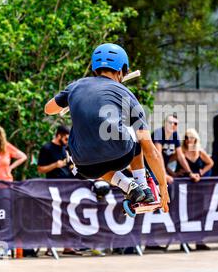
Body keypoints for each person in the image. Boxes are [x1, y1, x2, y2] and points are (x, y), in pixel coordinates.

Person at [44, 43, 169, 214]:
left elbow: (48, 109)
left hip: (84, 165)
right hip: (121, 156)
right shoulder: (126, 94)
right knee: (136, 135)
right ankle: (143, 186)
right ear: (122, 71)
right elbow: (150, 149)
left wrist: (67, 101)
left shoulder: (76, 86)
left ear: (95, 69)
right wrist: (162, 184)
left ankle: (129, 186)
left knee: (87, 149)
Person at [37, 125, 82, 256]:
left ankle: (68, 246)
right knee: (53, 217)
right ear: (59, 135)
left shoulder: (65, 149)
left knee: (68, 216)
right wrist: (55, 165)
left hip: (68, 187)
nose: (67, 141)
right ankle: (50, 247)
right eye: (66, 138)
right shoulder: (47, 148)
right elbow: (40, 169)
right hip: (53, 187)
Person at [176, 128, 213, 251]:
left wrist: (201, 172)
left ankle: (199, 240)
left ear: (195, 139)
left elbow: (210, 163)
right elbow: (166, 162)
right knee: (185, 213)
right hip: (184, 187)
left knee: (200, 213)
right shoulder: (180, 151)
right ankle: (184, 242)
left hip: (198, 186)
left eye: (190, 137)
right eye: (186, 137)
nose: (188, 140)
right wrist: (175, 173)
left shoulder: (199, 151)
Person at [152, 115, 200, 184]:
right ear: (165, 123)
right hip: (151, 168)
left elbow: (180, 156)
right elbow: (158, 155)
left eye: (175, 123)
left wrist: (190, 173)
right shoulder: (159, 133)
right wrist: (164, 174)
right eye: (170, 122)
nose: (172, 125)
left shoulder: (175, 135)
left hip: (161, 169)